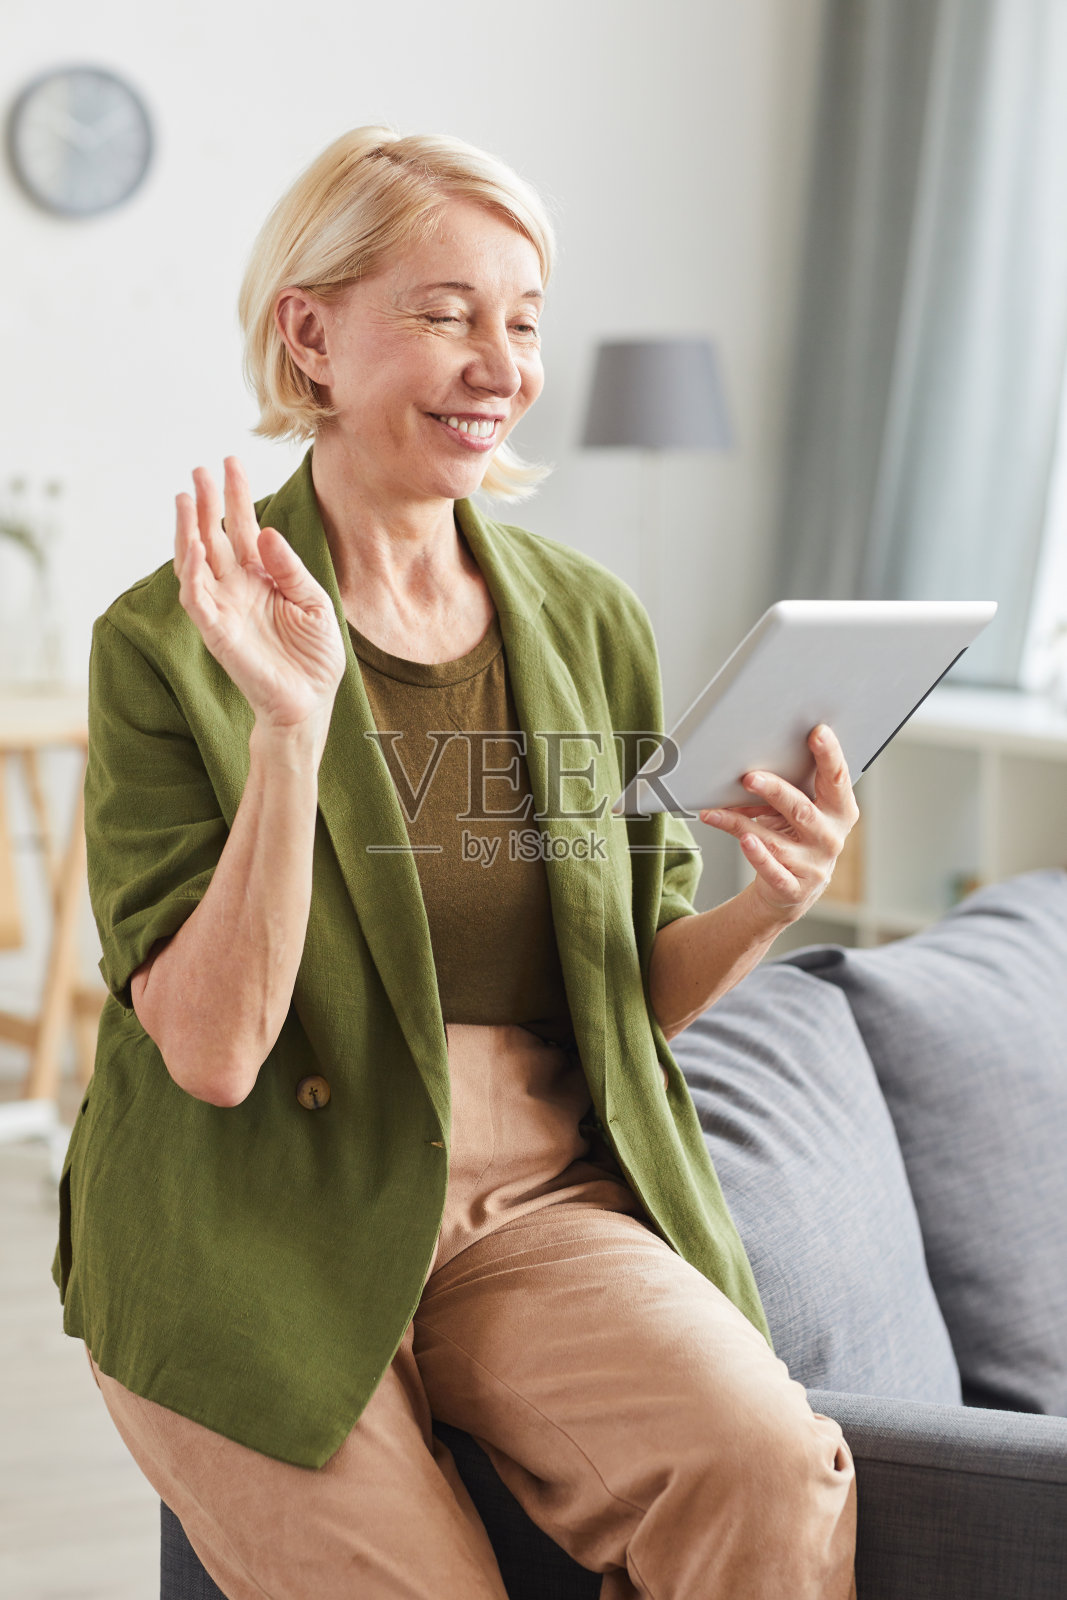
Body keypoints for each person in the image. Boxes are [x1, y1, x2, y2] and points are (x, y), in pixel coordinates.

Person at [53, 126, 860, 1599]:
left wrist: (771, 901)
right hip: (252, 1211)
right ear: (310, 334)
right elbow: (216, 1058)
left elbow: (627, 999)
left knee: (765, 1468)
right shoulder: (162, 641)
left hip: (530, 1208)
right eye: (444, 314)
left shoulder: (592, 620)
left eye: (526, 322)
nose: (501, 366)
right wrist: (290, 731)